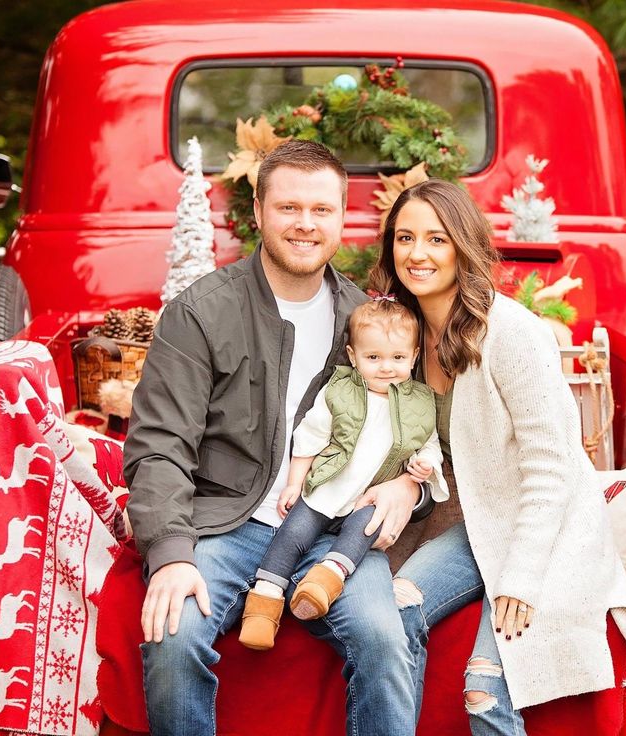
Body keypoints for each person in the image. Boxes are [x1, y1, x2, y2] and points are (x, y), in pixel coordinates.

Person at [124, 140, 425, 736]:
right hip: (222, 522)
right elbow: (159, 446)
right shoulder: (201, 312)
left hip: (332, 525)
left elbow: (412, 433)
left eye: (322, 209)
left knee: (386, 640)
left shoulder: (368, 322)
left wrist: (408, 492)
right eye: (288, 207)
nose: (305, 224)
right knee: (174, 636)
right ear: (257, 211)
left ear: (343, 218)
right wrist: (169, 554)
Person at [368, 179, 626, 735]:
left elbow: (552, 468)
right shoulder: (402, 333)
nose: (417, 254)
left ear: (463, 246)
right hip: (478, 525)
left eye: (436, 239)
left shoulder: (511, 333)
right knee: (393, 610)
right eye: (405, 238)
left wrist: (519, 578)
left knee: (483, 693)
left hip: (546, 529)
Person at [239, 297, 449, 650]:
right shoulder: (339, 392)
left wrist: (424, 468)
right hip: (328, 486)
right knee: (295, 532)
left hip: (369, 496)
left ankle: (327, 578)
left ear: (414, 357)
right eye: (373, 358)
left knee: (365, 528)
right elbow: (309, 436)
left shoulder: (421, 402)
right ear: (353, 357)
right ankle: (265, 600)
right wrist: (294, 482)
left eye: (398, 358)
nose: (386, 368)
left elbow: (428, 444)